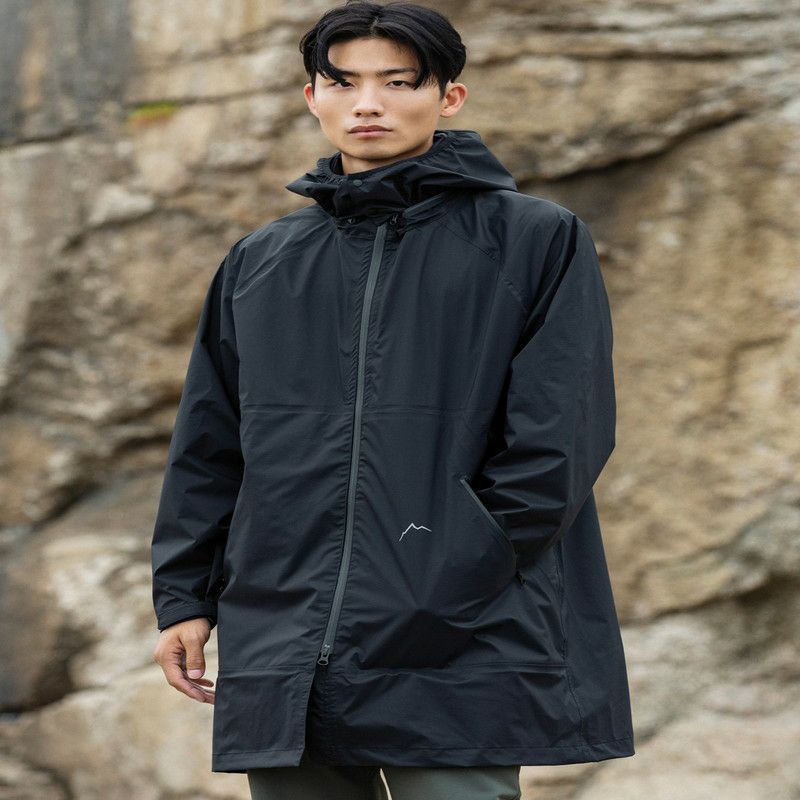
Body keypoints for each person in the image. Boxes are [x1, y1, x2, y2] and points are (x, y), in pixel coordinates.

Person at [150, 2, 635, 798]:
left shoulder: (536, 240)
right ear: (313, 97)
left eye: (398, 82)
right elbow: (210, 443)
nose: (367, 103)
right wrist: (184, 598)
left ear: (449, 97)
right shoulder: (260, 262)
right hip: (285, 628)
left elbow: (560, 441)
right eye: (343, 83)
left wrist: (452, 565)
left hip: (462, 625)